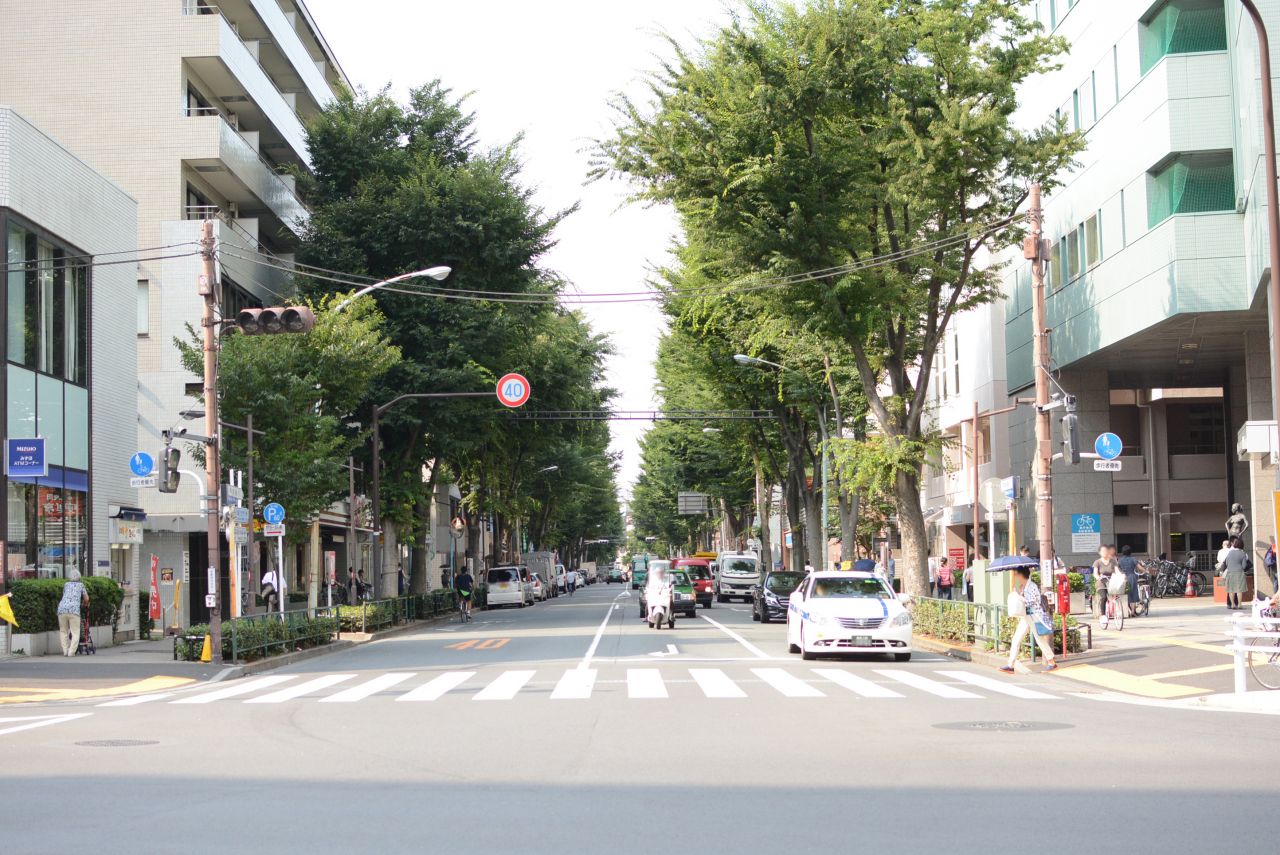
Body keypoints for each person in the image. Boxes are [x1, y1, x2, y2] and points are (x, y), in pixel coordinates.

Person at [1001, 565, 1057, 673]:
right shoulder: (1025, 586)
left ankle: (1051, 662)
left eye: (1017, 574)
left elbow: (1031, 602)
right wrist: (1019, 593)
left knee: (1039, 639)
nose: (1016, 577)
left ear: (1022, 575)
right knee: (1016, 639)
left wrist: (1019, 597)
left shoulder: (1032, 586)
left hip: (1034, 616)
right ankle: (1010, 665)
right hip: (1027, 617)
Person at [56, 570, 89, 657]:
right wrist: (83, 605)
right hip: (74, 610)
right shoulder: (81, 585)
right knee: (75, 632)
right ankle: (71, 652)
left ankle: (65, 651)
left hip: (62, 609)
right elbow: (86, 599)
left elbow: (64, 595)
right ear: (79, 577)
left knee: (63, 631)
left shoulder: (66, 584)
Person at [1221, 538, 1250, 610]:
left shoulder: (1230, 553)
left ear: (1233, 544)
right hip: (1239, 572)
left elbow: (1226, 563)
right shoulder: (1242, 553)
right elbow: (1244, 566)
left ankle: (1233, 604)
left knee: (1231, 589)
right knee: (1239, 590)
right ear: (1241, 545)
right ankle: (1239, 604)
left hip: (1230, 572)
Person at [1092, 544, 1117, 619]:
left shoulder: (1113, 561)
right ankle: (1103, 615)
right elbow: (1095, 573)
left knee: (1116, 595)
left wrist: (1121, 576)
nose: (1105, 552)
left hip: (1110, 581)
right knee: (1104, 597)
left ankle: (1115, 610)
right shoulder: (1097, 562)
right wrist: (1098, 577)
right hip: (1101, 582)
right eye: (1103, 551)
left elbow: (1117, 571)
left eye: (1106, 550)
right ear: (1099, 553)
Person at [1118, 544, 1140, 617]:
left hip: (1123, 578)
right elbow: (1139, 567)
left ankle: (1128, 610)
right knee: (1133, 593)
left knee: (1125, 594)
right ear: (1130, 551)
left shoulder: (1120, 560)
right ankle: (1133, 611)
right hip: (1132, 576)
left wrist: (1122, 573)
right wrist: (1146, 570)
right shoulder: (1133, 559)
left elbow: (1117, 569)